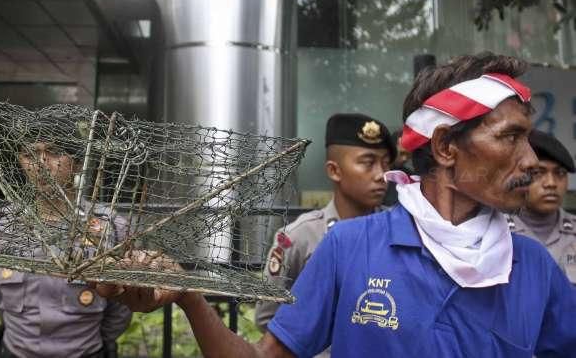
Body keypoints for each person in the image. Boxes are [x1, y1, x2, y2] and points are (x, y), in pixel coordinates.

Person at [95, 53, 576, 357]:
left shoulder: (532, 266)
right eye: (511, 137)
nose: (532, 161)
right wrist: (189, 296)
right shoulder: (350, 247)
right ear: (447, 147)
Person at [0, 115, 132, 358]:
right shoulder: (0, 225)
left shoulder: (112, 226)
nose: (42, 163)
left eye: (54, 152)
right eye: (30, 154)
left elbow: (121, 307)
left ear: (76, 162)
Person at [255, 113, 394, 356]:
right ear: (334, 171)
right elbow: (269, 318)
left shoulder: (398, 232)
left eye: (385, 163)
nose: (381, 174)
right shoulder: (300, 236)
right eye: (368, 162)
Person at [507, 129, 576, 282]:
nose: (551, 183)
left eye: (560, 173)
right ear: (519, 177)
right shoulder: (498, 233)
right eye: (538, 173)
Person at [383, 129, 413, 206]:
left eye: (408, 155)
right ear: (391, 149)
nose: (405, 158)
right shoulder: (376, 173)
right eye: (402, 153)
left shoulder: (409, 177)